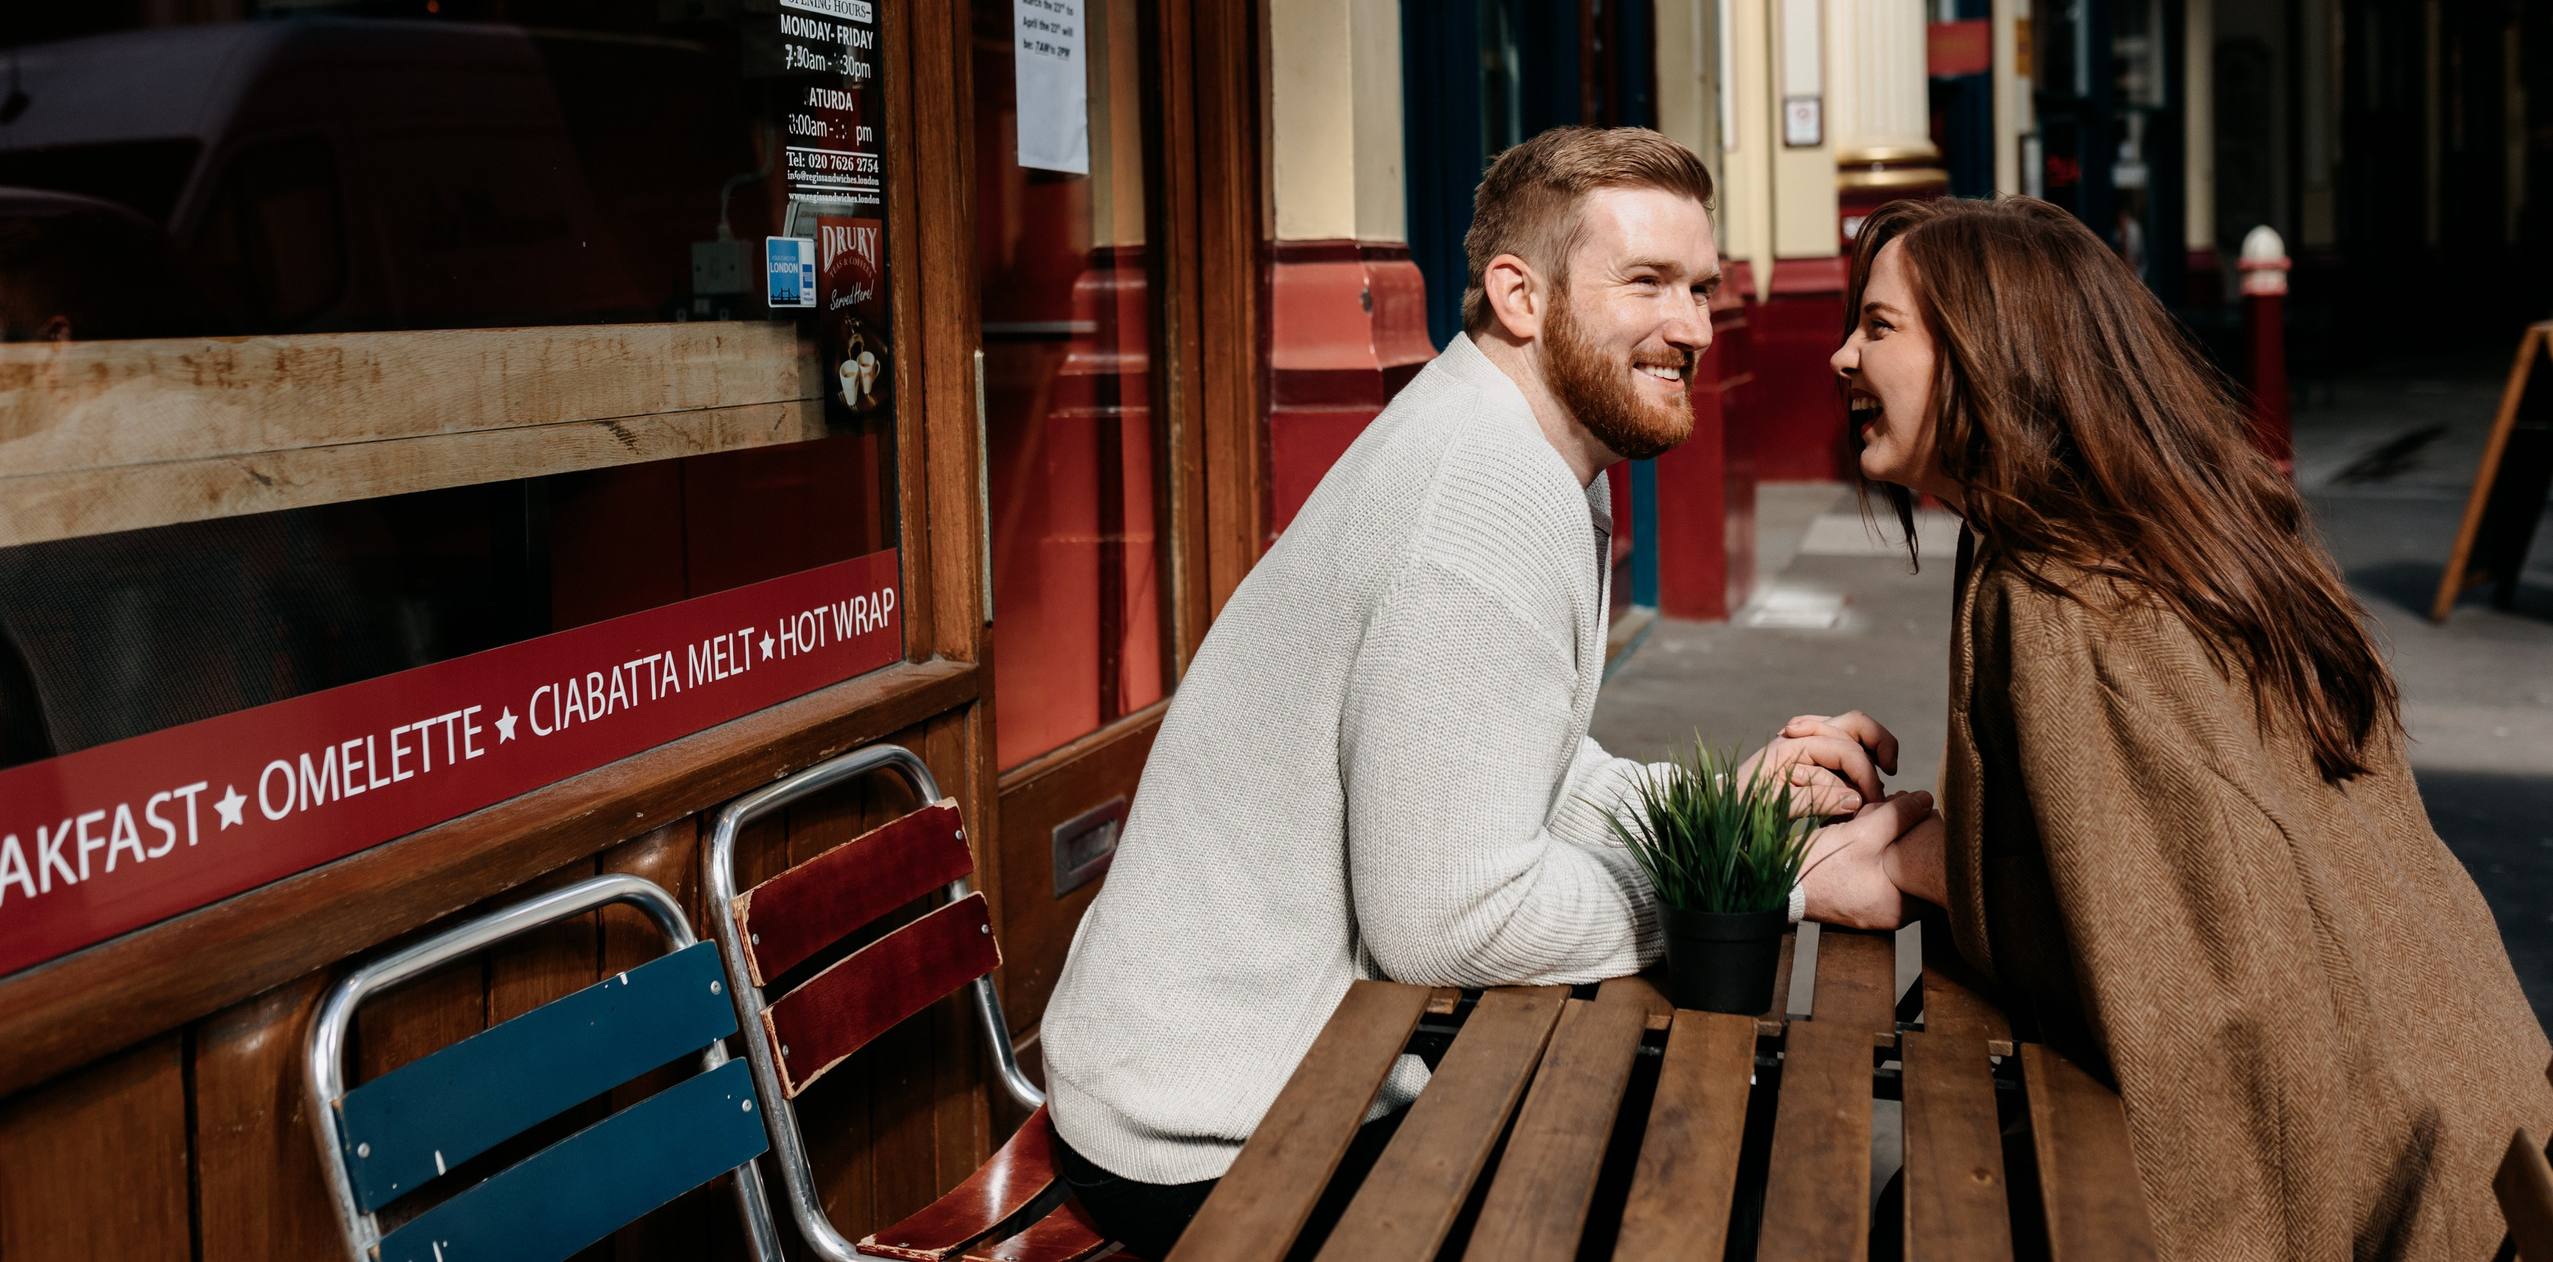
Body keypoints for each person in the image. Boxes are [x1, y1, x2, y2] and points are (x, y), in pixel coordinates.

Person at [1037, 128, 1929, 1255]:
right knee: (1724, 1193)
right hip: (1218, 1133)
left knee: (1725, 1136)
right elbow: (1452, 919)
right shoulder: (1481, 497)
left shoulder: (1520, 445)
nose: (1694, 329)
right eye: (1646, 283)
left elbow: (1531, 776)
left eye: (1701, 289)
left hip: (1277, 1068)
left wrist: (1732, 822)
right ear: (1520, 294)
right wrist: (1766, 890)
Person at [1819, 194, 2553, 1260]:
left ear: (1993, 350)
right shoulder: (2172, 532)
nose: (1841, 355)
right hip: (2473, 1108)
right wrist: (1931, 853)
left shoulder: (2068, 597)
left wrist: (1918, 868)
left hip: (2384, 1184)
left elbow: (2186, 979)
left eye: (1877, 327)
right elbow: (2166, 880)